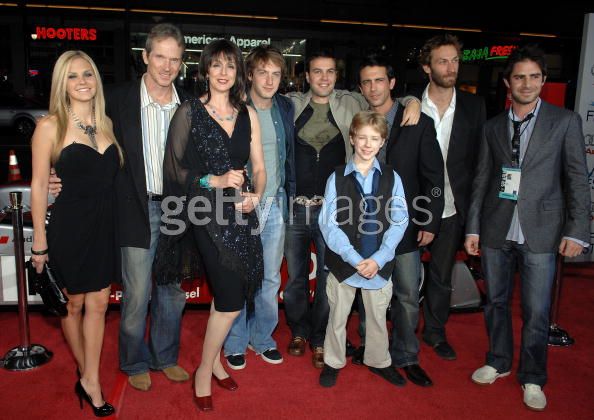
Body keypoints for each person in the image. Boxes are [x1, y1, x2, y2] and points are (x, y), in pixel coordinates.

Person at [50, 23, 192, 391]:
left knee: (172, 291)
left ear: (181, 63)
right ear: (145, 57)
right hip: (133, 207)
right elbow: (70, 125)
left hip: (178, 209)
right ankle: (134, 361)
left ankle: (166, 356)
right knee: (137, 292)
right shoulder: (115, 99)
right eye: (159, 56)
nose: (166, 66)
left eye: (174, 59)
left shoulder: (190, 105)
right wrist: (56, 167)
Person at [464, 45, 589, 411]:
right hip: (495, 229)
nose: (527, 83)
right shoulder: (492, 127)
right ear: (507, 82)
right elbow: (481, 180)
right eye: (519, 76)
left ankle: (533, 376)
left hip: (542, 231)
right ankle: (498, 360)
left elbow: (577, 180)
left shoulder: (564, 122)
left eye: (535, 76)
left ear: (544, 81)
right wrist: (472, 228)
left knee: (536, 311)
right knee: (496, 303)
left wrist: (576, 230)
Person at [284, 50, 420, 369]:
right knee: (295, 280)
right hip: (295, 208)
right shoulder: (289, 104)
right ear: (307, 76)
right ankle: (299, 332)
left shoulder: (350, 102)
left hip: (336, 207)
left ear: (337, 75)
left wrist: (414, 100)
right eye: (317, 71)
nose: (323, 77)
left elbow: (386, 100)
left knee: (332, 278)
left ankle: (320, 339)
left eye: (330, 71)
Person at [153, 39, 265, 412]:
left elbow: (259, 168)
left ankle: (215, 360)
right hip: (204, 214)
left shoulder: (247, 113)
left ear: (238, 73)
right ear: (204, 70)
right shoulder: (189, 112)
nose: (222, 72)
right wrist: (212, 180)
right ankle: (204, 369)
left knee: (228, 291)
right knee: (231, 299)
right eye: (215, 65)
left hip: (241, 213)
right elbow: (173, 169)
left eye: (229, 66)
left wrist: (257, 194)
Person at [30, 50, 123, 417]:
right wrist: (39, 242)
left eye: (88, 73)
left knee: (99, 304)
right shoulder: (49, 126)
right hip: (70, 226)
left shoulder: (107, 124)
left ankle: (89, 378)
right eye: (72, 76)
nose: (83, 81)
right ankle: (89, 377)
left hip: (104, 225)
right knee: (73, 304)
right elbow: (39, 186)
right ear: (61, 84)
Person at [356, 54, 444, 387]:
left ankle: (407, 354)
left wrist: (430, 221)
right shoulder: (358, 121)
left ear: (392, 83)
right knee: (368, 291)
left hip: (406, 228)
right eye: (366, 81)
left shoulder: (417, 122)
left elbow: (434, 177)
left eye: (379, 80)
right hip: (365, 226)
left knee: (407, 295)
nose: (373, 87)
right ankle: (370, 347)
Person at [318, 111, 408, 388]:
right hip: (345, 262)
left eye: (374, 139)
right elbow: (328, 223)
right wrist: (355, 258)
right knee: (337, 316)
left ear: (382, 143)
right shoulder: (336, 177)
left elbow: (399, 220)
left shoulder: (393, 178)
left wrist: (379, 259)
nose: (368, 144)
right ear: (352, 139)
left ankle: (378, 360)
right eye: (362, 138)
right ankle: (333, 361)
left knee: (378, 317)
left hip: (379, 263)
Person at [223, 45, 295, 370]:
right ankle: (235, 342)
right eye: (263, 72)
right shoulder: (234, 108)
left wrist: (409, 99)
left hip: (275, 205)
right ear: (250, 74)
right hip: (241, 205)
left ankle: (263, 338)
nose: (269, 79)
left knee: (269, 279)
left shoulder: (286, 107)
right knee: (237, 276)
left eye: (276, 73)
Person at [418, 34, 486, 361]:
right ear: (426, 67)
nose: (451, 67)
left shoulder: (475, 106)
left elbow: (480, 162)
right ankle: (398, 329)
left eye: (455, 60)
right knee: (399, 275)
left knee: (442, 276)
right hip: (414, 207)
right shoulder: (411, 104)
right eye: (443, 61)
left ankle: (434, 331)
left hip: (451, 206)